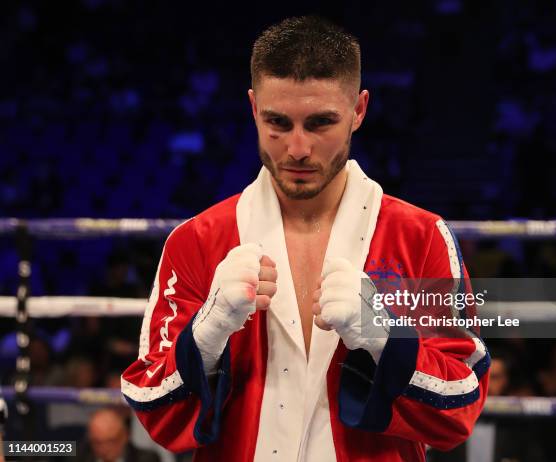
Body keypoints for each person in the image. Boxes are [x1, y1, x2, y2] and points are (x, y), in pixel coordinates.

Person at [121, 16, 490, 462]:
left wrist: (385, 339)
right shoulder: (197, 240)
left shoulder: (419, 238)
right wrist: (207, 333)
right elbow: (154, 412)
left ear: (359, 111)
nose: (297, 148)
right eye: (278, 122)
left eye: (320, 123)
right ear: (253, 107)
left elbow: (461, 407)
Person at [81, 407, 160, 462]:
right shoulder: (79, 457)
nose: (104, 449)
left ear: (125, 436)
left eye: (110, 441)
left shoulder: (146, 459)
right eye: (97, 443)